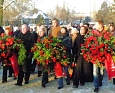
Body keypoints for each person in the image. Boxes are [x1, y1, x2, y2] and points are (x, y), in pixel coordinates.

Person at [93, 20, 105, 92]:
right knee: (95, 72)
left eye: (96, 24)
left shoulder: (106, 33)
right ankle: (96, 86)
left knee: (101, 71)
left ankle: (99, 81)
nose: (95, 25)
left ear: (100, 25)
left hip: (103, 56)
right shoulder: (94, 33)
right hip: (95, 55)